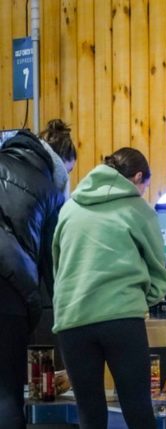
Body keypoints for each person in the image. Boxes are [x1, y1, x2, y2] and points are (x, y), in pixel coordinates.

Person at [52, 147, 166, 429]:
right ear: (138, 177)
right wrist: (142, 300)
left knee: (90, 415)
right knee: (138, 409)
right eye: (144, 187)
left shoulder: (70, 207)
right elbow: (158, 270)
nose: (143, 193)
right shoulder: (137, 209)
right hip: (120, 319)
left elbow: (58, 264)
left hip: (72, 319)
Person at [0, 121, 76, 429]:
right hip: (7, 288)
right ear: (58, 165)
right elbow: (53, 262)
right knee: (6, 390)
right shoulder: (49, 189)